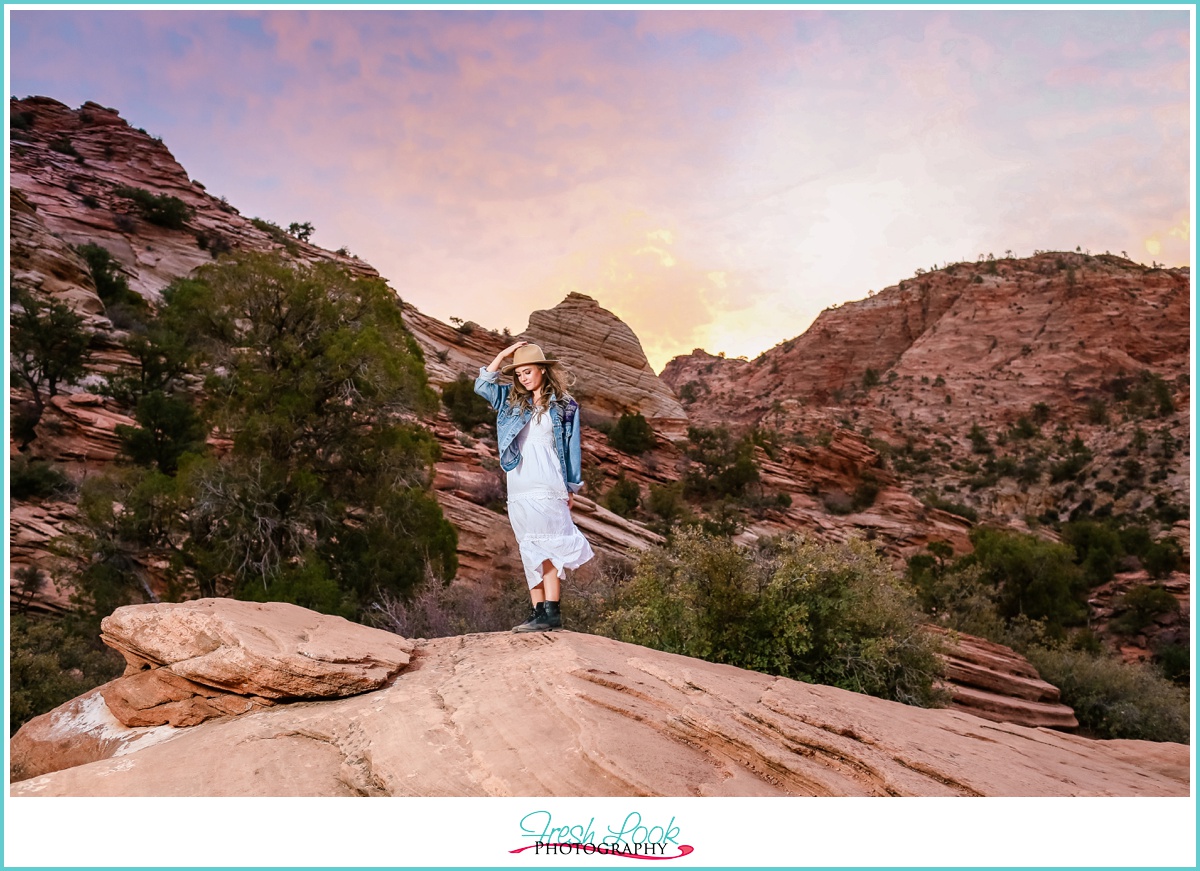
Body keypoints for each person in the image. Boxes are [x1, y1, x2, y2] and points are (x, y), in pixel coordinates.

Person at [474, 340, 595, 632]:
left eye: (528, 371)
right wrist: (504, 355)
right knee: (528, 544)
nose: (523, 378)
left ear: (542, 369)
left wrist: (571, 488)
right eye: (518, 374)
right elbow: (482, 386)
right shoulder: (511, 399)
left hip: (548, 480)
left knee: (548, 541)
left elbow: (572, 447)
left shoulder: (566, 404)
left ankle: (552, 611)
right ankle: (538, 611)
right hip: (519, 480)